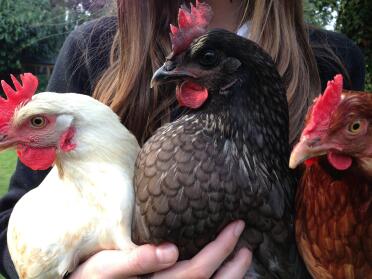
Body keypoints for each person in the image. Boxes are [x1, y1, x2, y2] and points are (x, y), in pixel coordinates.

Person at [0, 0, 365, 278]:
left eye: (203, 59)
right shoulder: (92, 50)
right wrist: (83, 273)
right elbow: (10, 224)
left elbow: (350, 232)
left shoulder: (331, 60)